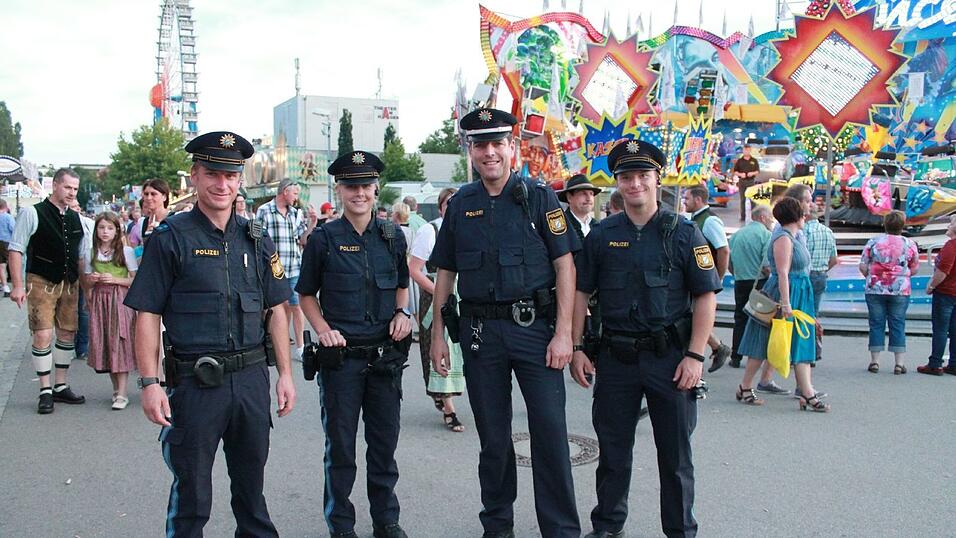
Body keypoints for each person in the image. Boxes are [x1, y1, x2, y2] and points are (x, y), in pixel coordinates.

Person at [125, 131, 296, 536]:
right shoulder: (171, 237)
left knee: (252, 495)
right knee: (192, 497)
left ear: (240, 180)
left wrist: (285, 373)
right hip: (195, 386)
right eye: (213, 174)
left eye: (231, 176)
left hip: (251, 382)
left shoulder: (257, 238)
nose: (222, 184)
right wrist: (149, 383)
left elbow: (276, 310)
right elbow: (147, 313)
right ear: (195, 177)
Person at [429, 108, 581, 538]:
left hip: (536, 334)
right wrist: (439, 337)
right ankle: (497, 527)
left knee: (550, 437)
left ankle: (561, 531)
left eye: (498, 143)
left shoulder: (540, 197)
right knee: (493, 441)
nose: (490, 152)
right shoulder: (461, 204)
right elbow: (445, 272)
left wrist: (564, 334)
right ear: (471, 152)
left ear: (512, 148)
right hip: (481, 337)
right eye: (481, 144)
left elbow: (565, 265)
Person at [569, 137, 720, 538]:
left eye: (642, 175)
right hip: (615, 359)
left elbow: (706, 297)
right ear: (617, 182)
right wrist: (578, 347)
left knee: (675, 457)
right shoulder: (601, 236)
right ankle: (608, 525)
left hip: (670, 359)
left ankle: (680, 530)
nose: (634, 183)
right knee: (613, 453)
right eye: (626, 176)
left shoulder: (684, 233)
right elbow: (581, 293)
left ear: (657, 178)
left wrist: (695, 356)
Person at [296, 150, 413, 538]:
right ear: (339, 189)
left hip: (384, 361)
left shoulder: (393, 236)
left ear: (375, 189)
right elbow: (306, 295)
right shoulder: (324, 239)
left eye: (365, 185)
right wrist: (323, 329)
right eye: (351, 186)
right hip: (342, 360)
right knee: (341, 449)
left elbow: (401, 285)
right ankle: (341, 525)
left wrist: (402, 314)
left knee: (384, 447)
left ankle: (386, 520)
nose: (359, 193)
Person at [736, 197, 829, 412]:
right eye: (803, 211)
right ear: (795, 216)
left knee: (801, 340)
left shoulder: (794, 235)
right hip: (786, 294)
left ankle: (807, 392)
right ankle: (746, 386)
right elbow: (783, 272)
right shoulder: (784, 238)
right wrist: (785, 303)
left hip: (799, 292)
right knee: (764, 340)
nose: (806, 214)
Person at [7, 168, 87, 413]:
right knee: (42, 334)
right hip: (41, 279)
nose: (71, 192)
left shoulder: (77, 219)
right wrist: (18, 286)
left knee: (67, 334)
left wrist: (86, 286)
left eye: (75, 188)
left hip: (70, 281)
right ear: (55, 185)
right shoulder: (32, 213)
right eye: (67, 187)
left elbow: (82, 255)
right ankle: (45, 389)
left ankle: (60, 386)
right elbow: (15, 249)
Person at [408, 187, 465, 432]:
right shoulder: (429, 231)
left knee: (460, 350)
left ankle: (446, 396)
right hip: (434, 295)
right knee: (438, 346)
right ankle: (448, 406)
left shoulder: (467, 228)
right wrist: (438, 291)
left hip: (463, 296)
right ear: (441, 207)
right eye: (448, 204)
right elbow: (414, 268)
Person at [255, 178, 317, 360]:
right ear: (285, 192)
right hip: (273, 269)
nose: (296, 197)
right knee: (275, 308)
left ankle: (300, 346)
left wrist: (312, 223)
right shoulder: (264, 211)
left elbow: (303, 240)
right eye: (295, 193)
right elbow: (257, 239)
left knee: (296, 306)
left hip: (293, 268)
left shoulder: (296, 214)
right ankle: (271, 342)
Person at [82, 212, 138, 409]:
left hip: (119, 299)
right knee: (105, 342)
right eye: (101, 228)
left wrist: (114, 280)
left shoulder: (125, 252)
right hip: (100, 300)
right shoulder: (91, 252)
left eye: (109, 228)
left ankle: (122, 393)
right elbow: (87, 279)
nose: (105, 232)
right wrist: (93, 279)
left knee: (119, 342)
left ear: (117, 231)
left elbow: (135, 280)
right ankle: (116, 389)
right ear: (96, 230)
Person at [859, 210, 919, 375]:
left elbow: (863, 265)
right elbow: (915, 268)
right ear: (902, 225)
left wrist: (872, 276)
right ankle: (899, 364)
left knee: (876, 323)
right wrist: (901, 276)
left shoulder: (873, 242)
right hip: (900, 289)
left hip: (875, 288)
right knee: (898, 324)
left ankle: (875, 361)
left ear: (885, 224)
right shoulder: (909, 244)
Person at [681, 184, 732, 372]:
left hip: (703, 280)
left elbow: (723, 250)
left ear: (698, 199)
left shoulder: (709, 221)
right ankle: (717, 347)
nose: (684, 202)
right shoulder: (697, 219)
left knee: (694, 319)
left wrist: (716, 279)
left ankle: (705, 356)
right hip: (696, 278)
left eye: (686, 198)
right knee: (691, 317)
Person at [919, 215, 956, 376]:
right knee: (954, 329)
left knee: (940, 328)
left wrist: (932, 285)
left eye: (952, 223)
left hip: (946, 292)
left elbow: (943, 271)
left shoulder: (951, 246)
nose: (949, 225)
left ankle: (935, 363)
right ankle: (954, 363)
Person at [71, 199, 95, 362]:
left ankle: (83, 346)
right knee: (70, 310)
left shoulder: (88, 224)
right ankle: (69, 344)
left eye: (76, 206)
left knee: (83, 310)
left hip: (85, 270)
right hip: (68, 272)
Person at [558, 174, 602, 244]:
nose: (589, 198)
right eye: (583, 193)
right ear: (569, 197)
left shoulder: (597, 225)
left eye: (591, 194)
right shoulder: (560, 226)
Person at [129, 178, 172, 251]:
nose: (149, 198)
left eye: (153, 194)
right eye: (146, 194)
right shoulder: (142, 223)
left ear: (164, 197)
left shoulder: (175, 218)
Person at [733, 144, 760, 221]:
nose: (746, 151)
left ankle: (754, 217)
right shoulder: (739, 161)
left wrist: (752, 173)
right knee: (742, 200)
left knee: (753, 200)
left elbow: (757, 171)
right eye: (745, 150)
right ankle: (742, 217)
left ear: (750, 150)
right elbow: (735, 171)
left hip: (751, 181)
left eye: (748, 150)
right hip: (742, 181)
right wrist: (740, 174)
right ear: (743, 150)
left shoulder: (754, 161)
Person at [0, 198, 16, 296]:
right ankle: (15, 286)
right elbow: (14, 229)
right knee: (12, 264)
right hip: (7, 243)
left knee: (1, 266)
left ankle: (5, 287)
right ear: (5, 207)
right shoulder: (8, 217)